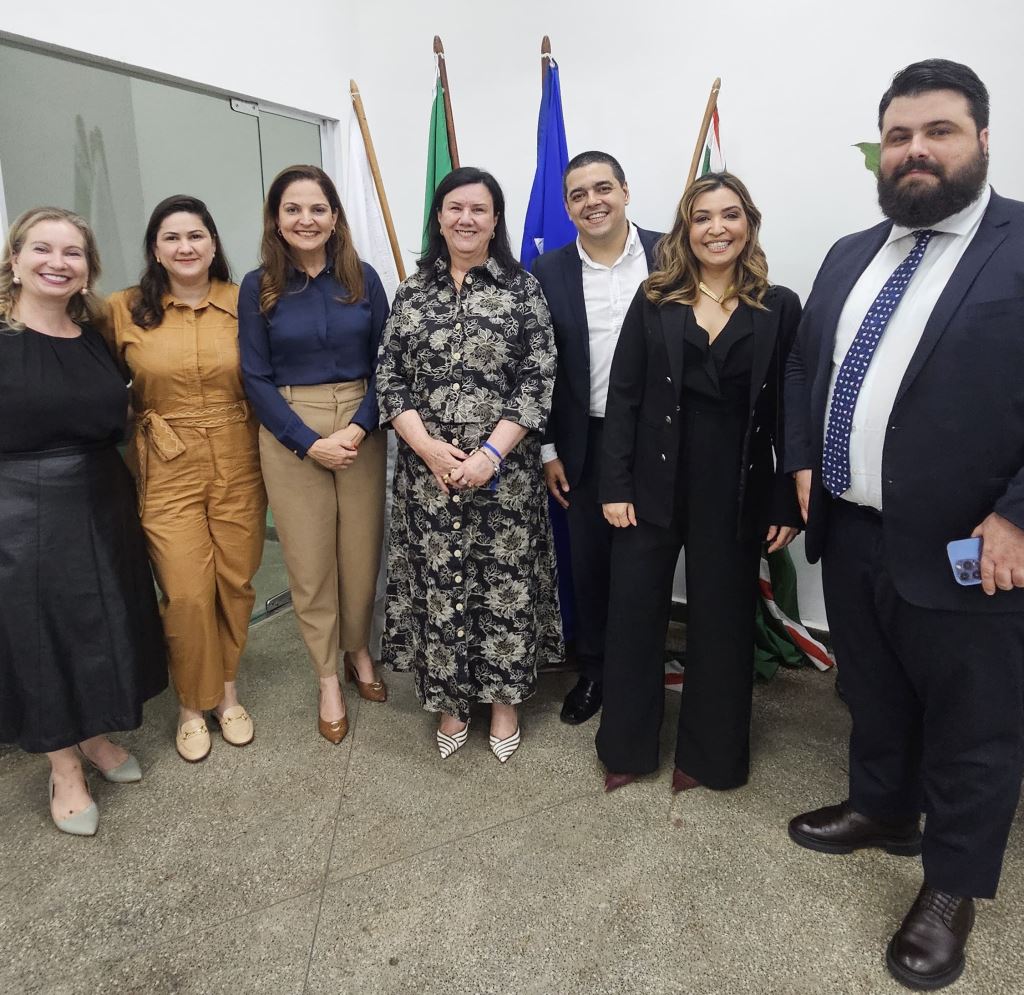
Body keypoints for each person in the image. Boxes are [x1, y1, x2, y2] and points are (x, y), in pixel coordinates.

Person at [784, 59, 1024, 991]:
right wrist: (806, 462)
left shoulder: (1015, 246)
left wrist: (1015, 517)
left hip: (976, 548)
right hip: (852, 529)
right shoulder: (852, 252)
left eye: (939, 131)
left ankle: (951, 887)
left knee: (975, 726)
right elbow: (807, 369)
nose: (916, 150)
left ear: (982, 139)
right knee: (873, 692)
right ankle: (883, 809)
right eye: (898, 136)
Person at [595, 172, 802, 793]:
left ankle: (709, 757)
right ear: (686, 229)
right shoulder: (655, 298)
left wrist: (782, 498)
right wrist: (615, 485)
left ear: (749, 224)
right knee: (635, 615)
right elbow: (625, 396)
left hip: (734, 488)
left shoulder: (780, 305)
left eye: (729, 215)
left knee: (722, 621)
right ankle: (627, 748)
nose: (717, 228)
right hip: (650, 485)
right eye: (703, 217)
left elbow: (789, 409)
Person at [376, 166, 562, 762]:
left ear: (495, 220)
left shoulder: (521, 290)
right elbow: (389, 377)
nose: (466, 219)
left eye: (479, 209)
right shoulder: (412, 291)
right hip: (426, 476)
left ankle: (504, 702)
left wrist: (488, 455)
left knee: (500, 585)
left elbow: (538, 380)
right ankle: (452, 701)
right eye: (454, 207)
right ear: (438, 217)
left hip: (502, 476)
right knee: (441, 586)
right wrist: (428, 448)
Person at [0, 207, 166, 836]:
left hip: (100, 498)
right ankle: (62, 764)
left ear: (87, 270)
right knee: (39, 638)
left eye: (72, 254)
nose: (57, 263)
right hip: (18, 508)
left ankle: (94, 737)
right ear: (14, 260)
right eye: (42, 249)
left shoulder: (95, 336)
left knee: (98, 624)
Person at [106, 195, 266, 762]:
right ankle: (191, 707)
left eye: (196, 236)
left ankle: (226, 694)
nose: (185, 247)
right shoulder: (122, 309)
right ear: (155, 248)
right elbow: (78, 362)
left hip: (238, 454)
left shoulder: (245, 300)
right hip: (165, 460)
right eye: (172, 238)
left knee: (235, 582)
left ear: (214, 243)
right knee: (186, 591)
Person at [239, 165, 389, 745]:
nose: (306, 219)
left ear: (334, 217)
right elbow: (253, 376)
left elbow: (388, 362)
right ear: (276, 219)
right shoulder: (260, 286)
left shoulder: (362, 277)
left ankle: (358, 650)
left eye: (317, 208)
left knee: (359, 552)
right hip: (289, 427)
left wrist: (357, 429)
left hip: (360, 425)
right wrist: (308, 441)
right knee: (307, 560)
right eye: (293, 209)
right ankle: (327, 674)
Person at [532, 151, 664, 726]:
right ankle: (595, 671)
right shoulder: (548, 272)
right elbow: (538, 369)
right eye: (579, 194)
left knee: (650, 561)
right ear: (567, 207)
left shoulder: (670, 254)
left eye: (603, 188)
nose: (593, 202)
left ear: (626, 191)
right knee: (590, 565)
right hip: (583, 439)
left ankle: (642, 672)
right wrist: (548, 449)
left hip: (660, 438)